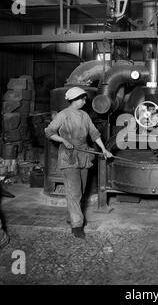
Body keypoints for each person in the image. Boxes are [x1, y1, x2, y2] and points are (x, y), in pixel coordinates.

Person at [45, 87, 112, 239]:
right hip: (68, 156)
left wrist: (104, 150)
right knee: (74, 191)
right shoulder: (63, 115)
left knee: (79, 191)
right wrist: (63, 140)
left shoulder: (84, 115)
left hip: (84, 154)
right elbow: (49, 132)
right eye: (82, 98)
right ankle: (77, 225)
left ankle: (72, 217)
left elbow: (95, 134)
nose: (85, 101)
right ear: (74, 100)